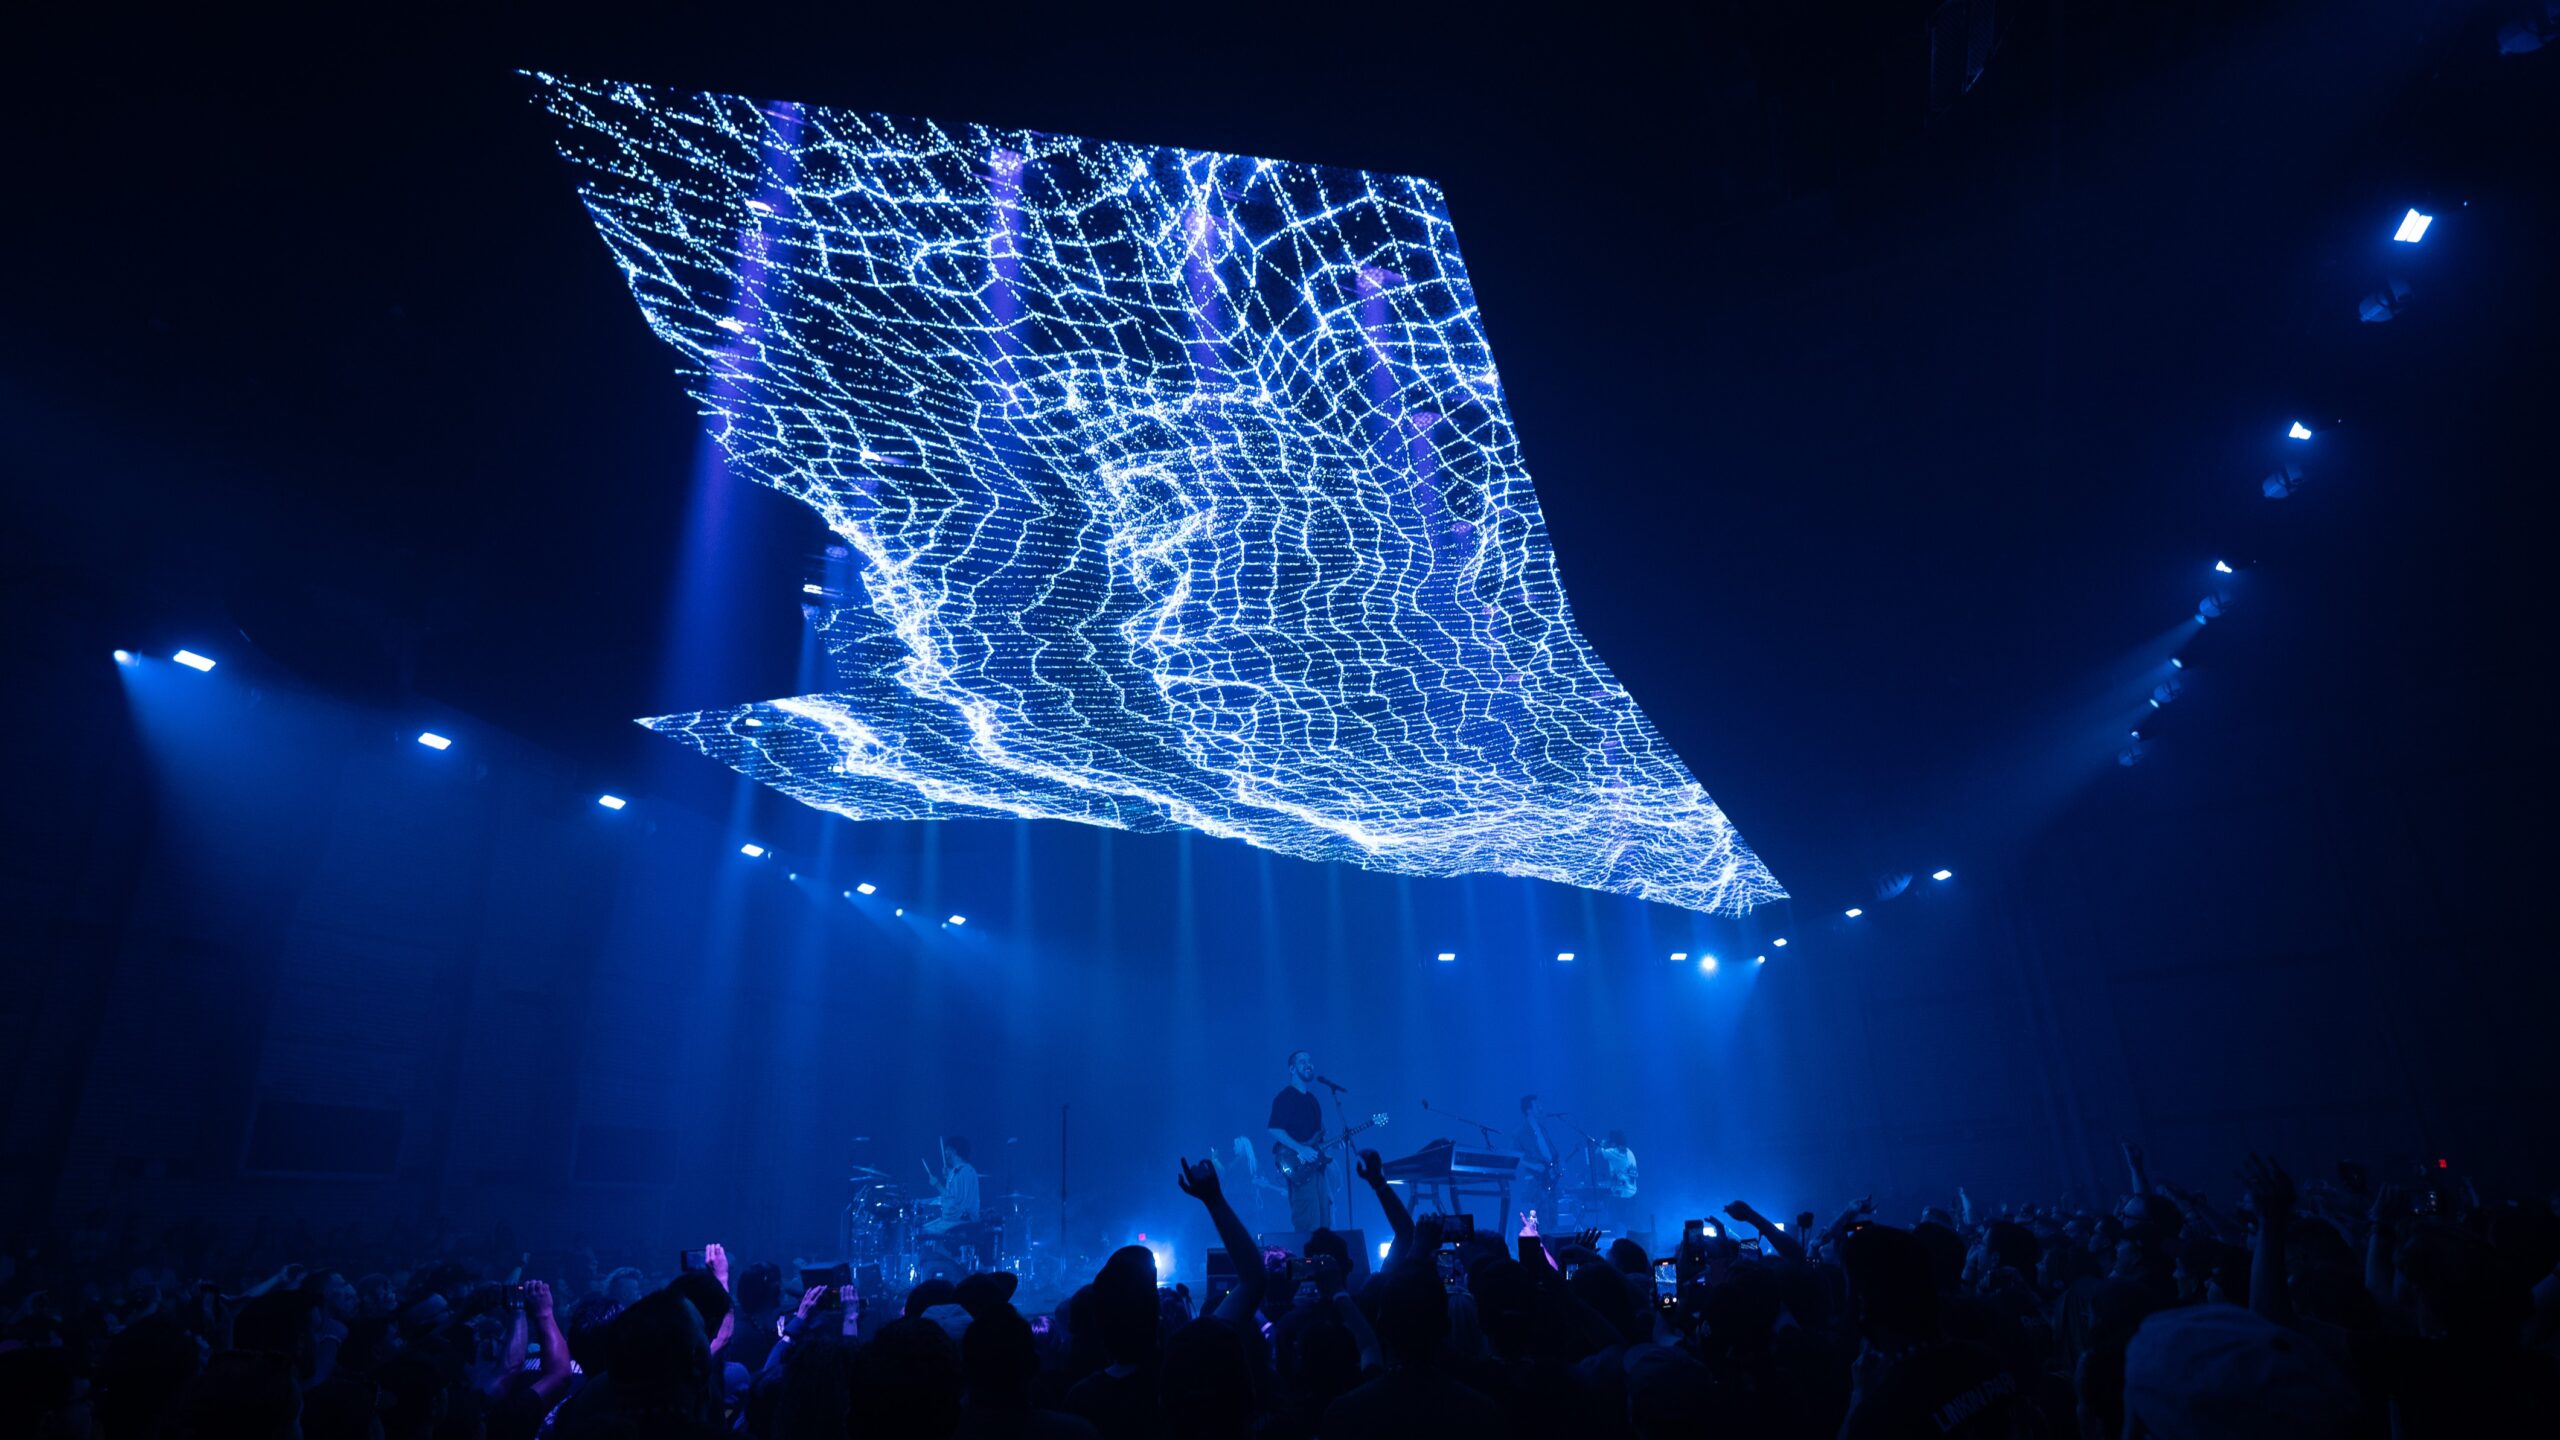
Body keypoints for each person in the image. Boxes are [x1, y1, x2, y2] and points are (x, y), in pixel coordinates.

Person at [1267, 1051, 1330, 1230]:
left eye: (1310, 1061)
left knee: (1324, 1223)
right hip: (1299, 1168)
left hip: (1317, 1168)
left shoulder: (1313, 1100)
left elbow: (1318, 1139)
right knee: (1308, 1223)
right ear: (1292, 1069)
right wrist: (1300, 1149)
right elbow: (1274, 1129)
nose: (1308, 1064)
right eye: (1302, 1061)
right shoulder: (1285, 1097)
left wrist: (1334, 1145)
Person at [1513, 1095, 1565, 1222]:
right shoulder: (1520, 1132)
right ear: (1528, 1110)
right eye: (1537, 1106)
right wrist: (1534, 1166)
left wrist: (1557, 1164)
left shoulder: (1542, 1129)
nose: (1541, 1108)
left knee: (1552, 1219)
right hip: (1535, 1183)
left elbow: (1550, 1153)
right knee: (1540, 1220)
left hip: (1549, 1180)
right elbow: (1514, 1158)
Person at [924, 1137, 983, 1237]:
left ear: (954, 1150)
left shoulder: (956, 1172)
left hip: (957, 1224)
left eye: (947, 1150)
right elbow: (961, 1196)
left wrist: (937, 1185)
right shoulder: (970, 1170)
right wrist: (950, 1175)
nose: (945, 1153)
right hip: (971, 1222)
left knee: (923, 1231)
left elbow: (952, 1202)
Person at [1596, 1129, 1639, 1234]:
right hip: (1633, 1193)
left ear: (1613, 1142)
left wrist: (1603, 1142)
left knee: (1616, 1221)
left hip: (1622, 1194)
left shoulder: (1615, 1152)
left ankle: (1616, 1236)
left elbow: (1597, 1152)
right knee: (1629, 1223)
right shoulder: (1630, 1152)